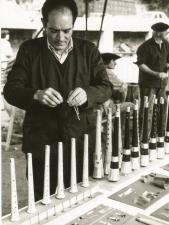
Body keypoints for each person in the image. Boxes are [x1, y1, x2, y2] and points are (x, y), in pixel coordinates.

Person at [4, 0, 118, 201]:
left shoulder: (88, 50)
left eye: (67, 30)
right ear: (43, 23)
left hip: (80, 139)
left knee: (80, 195)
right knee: (42, 198)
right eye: (53, 30)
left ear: (74, 24)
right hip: (41, 141)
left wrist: (88, 94)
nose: (61, 37)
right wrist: (35, 94)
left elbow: (106, 87)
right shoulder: (29, 50)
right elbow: (11, 90)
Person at [137, 22, 169, 137]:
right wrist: (156, 74)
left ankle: (159, 137)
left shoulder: (166, 43)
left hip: (162, 85)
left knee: (163, 109)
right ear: (158, 33)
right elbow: (141, 65)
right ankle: (143, 137)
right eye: (165, 31)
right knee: (147, 111)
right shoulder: (145, 47)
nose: (167, 33)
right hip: (148, 84)